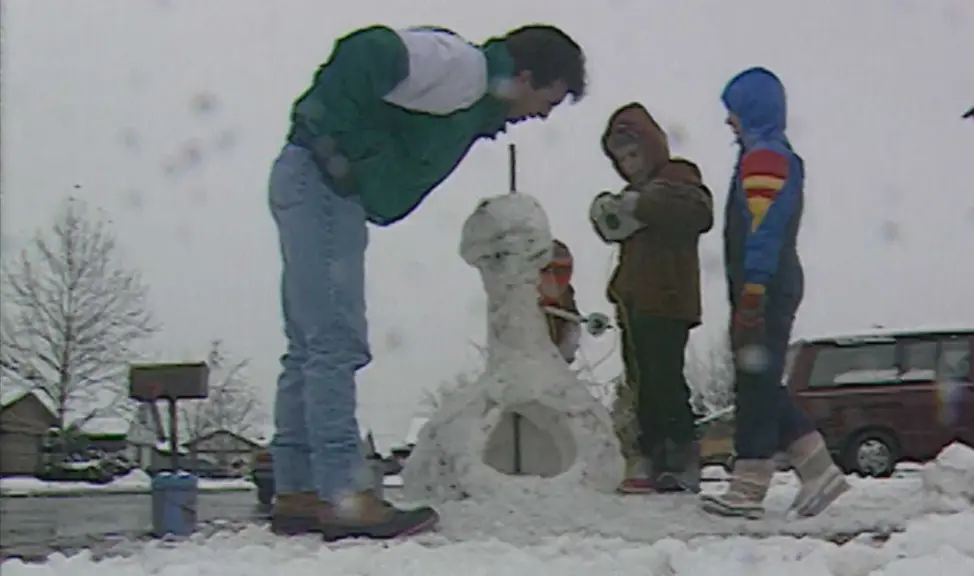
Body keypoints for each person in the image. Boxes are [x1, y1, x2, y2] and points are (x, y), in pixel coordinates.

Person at [267, 23, 587, 541]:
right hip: (321, 186)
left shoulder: (471, 96)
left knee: (308, 344)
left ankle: (299, 490)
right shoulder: (464, 70)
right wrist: (340, 155)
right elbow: (367, 49)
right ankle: (341, 495)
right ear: (526, 75)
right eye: (549, 99)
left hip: (311, 185)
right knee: (333, 340)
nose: (543, 114)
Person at [700, 67, 848, 519]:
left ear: (752, 110)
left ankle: (749, 484)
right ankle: (816, 467)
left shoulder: (764, 157)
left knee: (754, 381)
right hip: (766, 283)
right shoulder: (767, 155)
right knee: (759, 377)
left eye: (734, 112)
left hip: (764, 285)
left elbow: (764, 230)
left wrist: (753, 290)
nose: (729, 122)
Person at [589, 102, 714, 494]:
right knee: (640, 383)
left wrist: (639, 204)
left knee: (665, 381)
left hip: (669, 299)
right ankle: (651, 455)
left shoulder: (679, 177)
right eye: (621, 158)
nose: (629, 165)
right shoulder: (630, 194)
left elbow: (697, 211)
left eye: (633, 154)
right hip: (634, 302)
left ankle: (681, 457)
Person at [539, 240, 583, 364]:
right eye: (547, 270)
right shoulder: (519, 299)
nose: (556, 277)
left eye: (563, 270)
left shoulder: (566, 300)